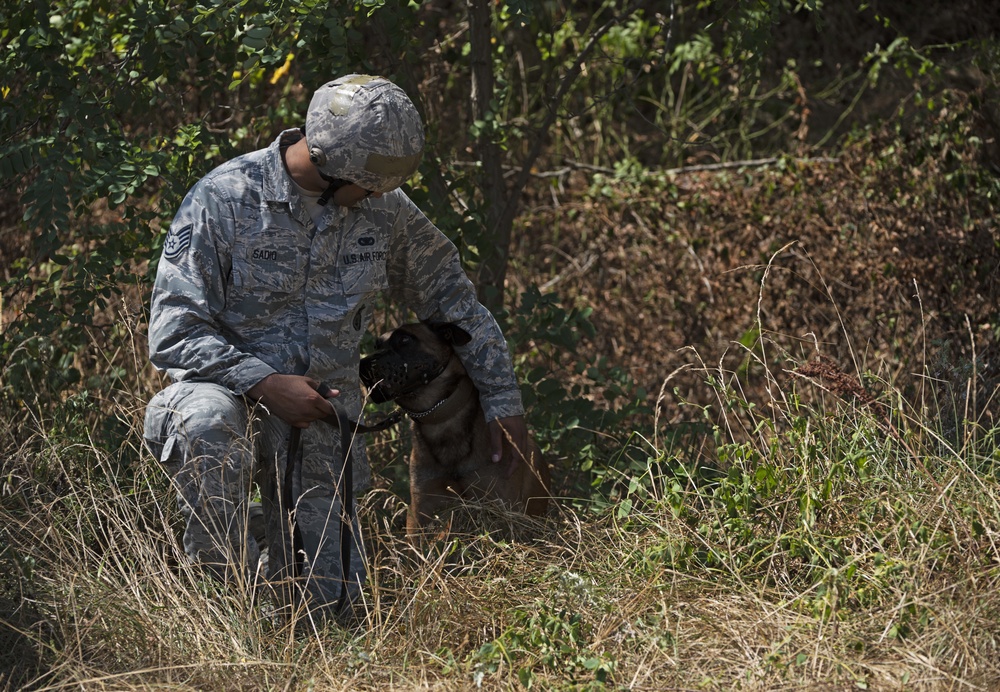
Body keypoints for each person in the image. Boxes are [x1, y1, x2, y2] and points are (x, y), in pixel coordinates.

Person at [142, 74, 529, 620]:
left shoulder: (384, 208)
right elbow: (173, 329)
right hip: (227, 398)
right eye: (368, 187)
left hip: (324, 419)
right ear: (329, 167)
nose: (375, 198)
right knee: (206, 420)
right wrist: (263, 382)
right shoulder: (226, 199)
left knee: (337, 614)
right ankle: (221, 611)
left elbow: (454, 302)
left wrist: (503, 402)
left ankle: (281, 579)